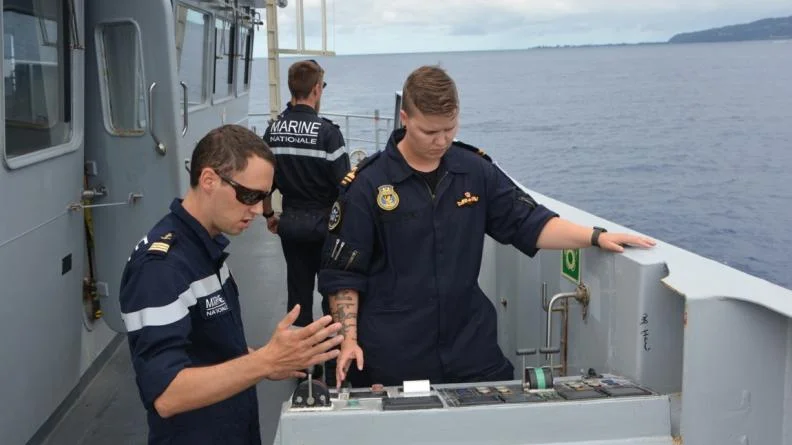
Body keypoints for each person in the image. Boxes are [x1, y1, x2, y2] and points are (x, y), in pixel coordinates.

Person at [318, 66, 655, 389]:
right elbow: (344, 276)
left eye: (450, 129)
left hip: (469, 346)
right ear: (405, 120)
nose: (441, 141)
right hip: (395, 354)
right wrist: (349, 340)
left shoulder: (474, 171)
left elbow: (529, 222)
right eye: (430, 132)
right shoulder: (367, 186)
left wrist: (595, 236)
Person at [119, 125, 343, 445]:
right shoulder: (161, 268)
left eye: (263, 197)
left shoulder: (204, 248)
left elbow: (211, 351)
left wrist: (267, 359)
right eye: (249, 195)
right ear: (209, 180)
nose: (255, 209)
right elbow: (166, 394)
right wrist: (264, 361)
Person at [263, 59, 350, 328]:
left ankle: (303, 364)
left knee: (298, 294)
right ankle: (328, 359)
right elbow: (345, 187)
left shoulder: (273, 131)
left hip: (290, 224)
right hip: (325, 227)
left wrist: (269, 215)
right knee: (329, 292)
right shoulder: (328, 133)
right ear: (316, 89)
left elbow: (264, 183)